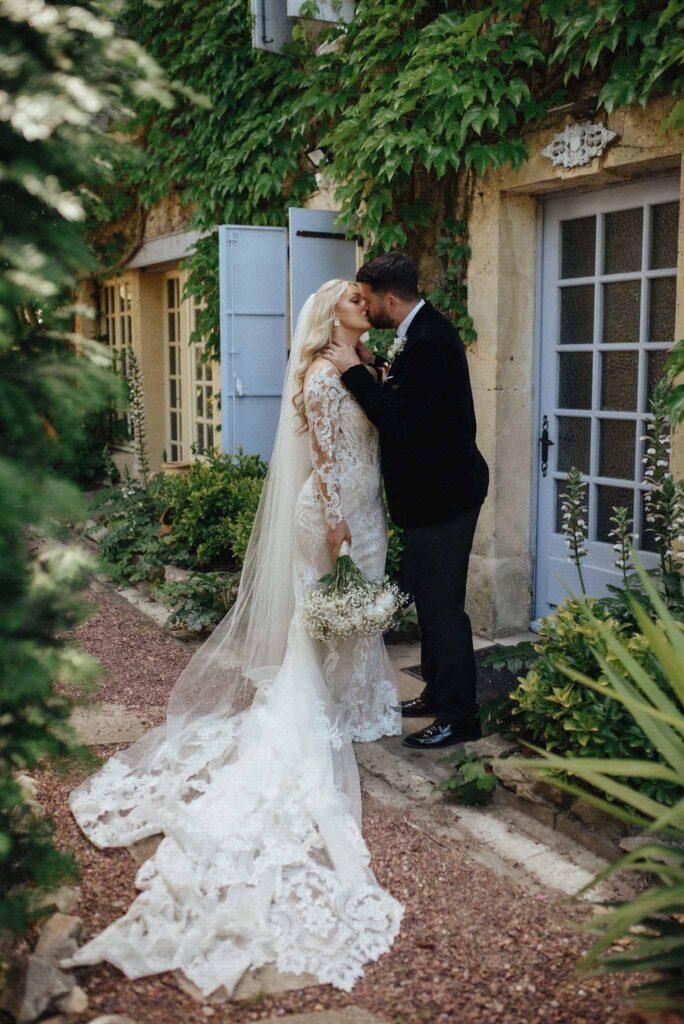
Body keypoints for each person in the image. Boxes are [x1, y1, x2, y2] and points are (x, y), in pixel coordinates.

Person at [62, 280, 403, 997]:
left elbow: (376, 429)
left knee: (350, 615)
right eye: (349, 299)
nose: (361, 303)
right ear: (326, 314)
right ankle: (312, 716)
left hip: (368, 508)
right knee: (323, 613)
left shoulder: (365, 361)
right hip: (335, 512)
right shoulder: (317, 373)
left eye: (363, 298)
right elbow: (325, 452)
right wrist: (339, 519)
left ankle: (342, 707)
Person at [325, 252, 489, 749]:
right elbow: (410, 395)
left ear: (389, 299)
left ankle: (461, 716)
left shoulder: (428, 343)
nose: (365, 306)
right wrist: (376, 364)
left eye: (368, 299)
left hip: (445, 499)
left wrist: (354, 370)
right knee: (426, 597)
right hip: (431, 499)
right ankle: (437, 694)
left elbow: (397, 422)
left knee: (444, 609)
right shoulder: (420, 334)